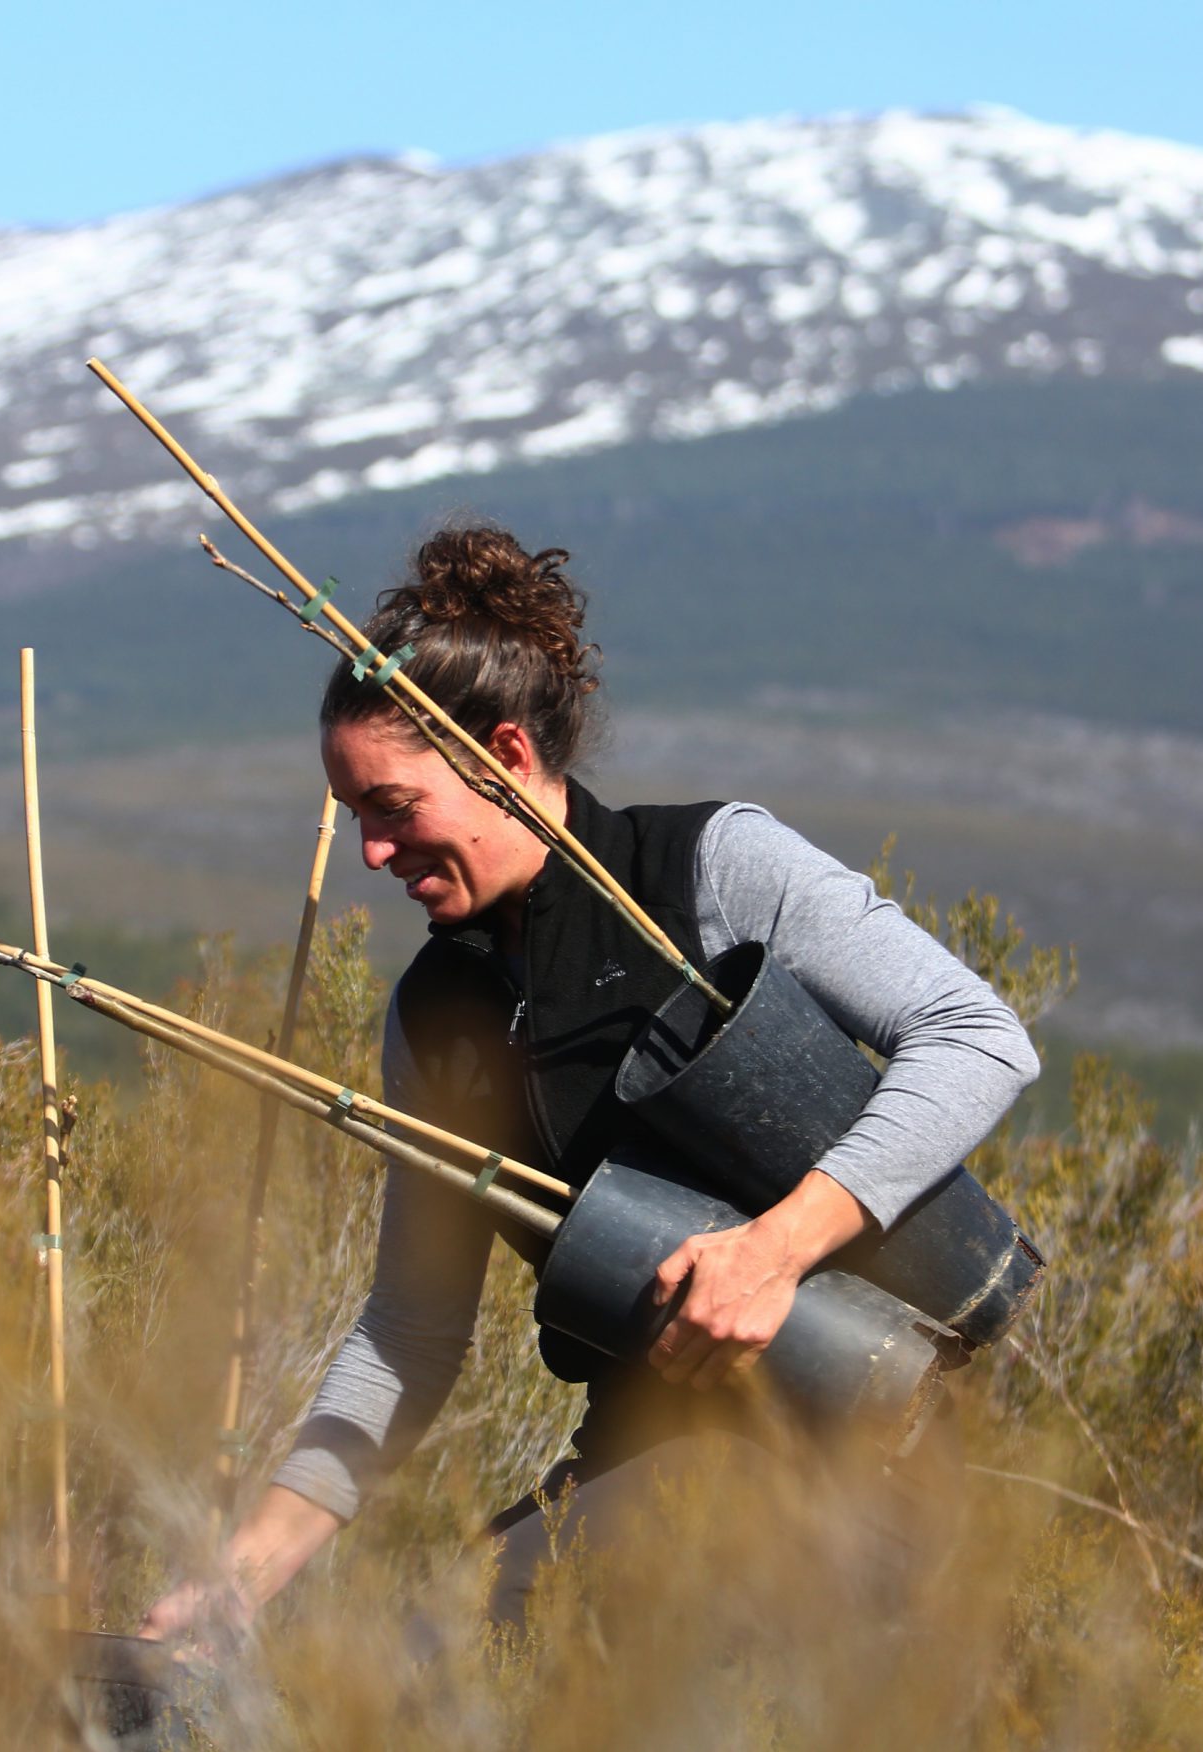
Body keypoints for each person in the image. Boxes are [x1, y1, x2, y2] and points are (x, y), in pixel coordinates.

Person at [143, 524, 1040, 1641]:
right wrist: (243, 1574)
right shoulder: (435, 1020)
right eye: (353, 816)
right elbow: (409, 1332)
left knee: (455, 1662)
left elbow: (976, 1036)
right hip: (645, 1456)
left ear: (506, 758)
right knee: (419, 1659)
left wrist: (772, 1253)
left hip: (865, 1449)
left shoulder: (712, 869)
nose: (371, 852)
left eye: (392, 806)